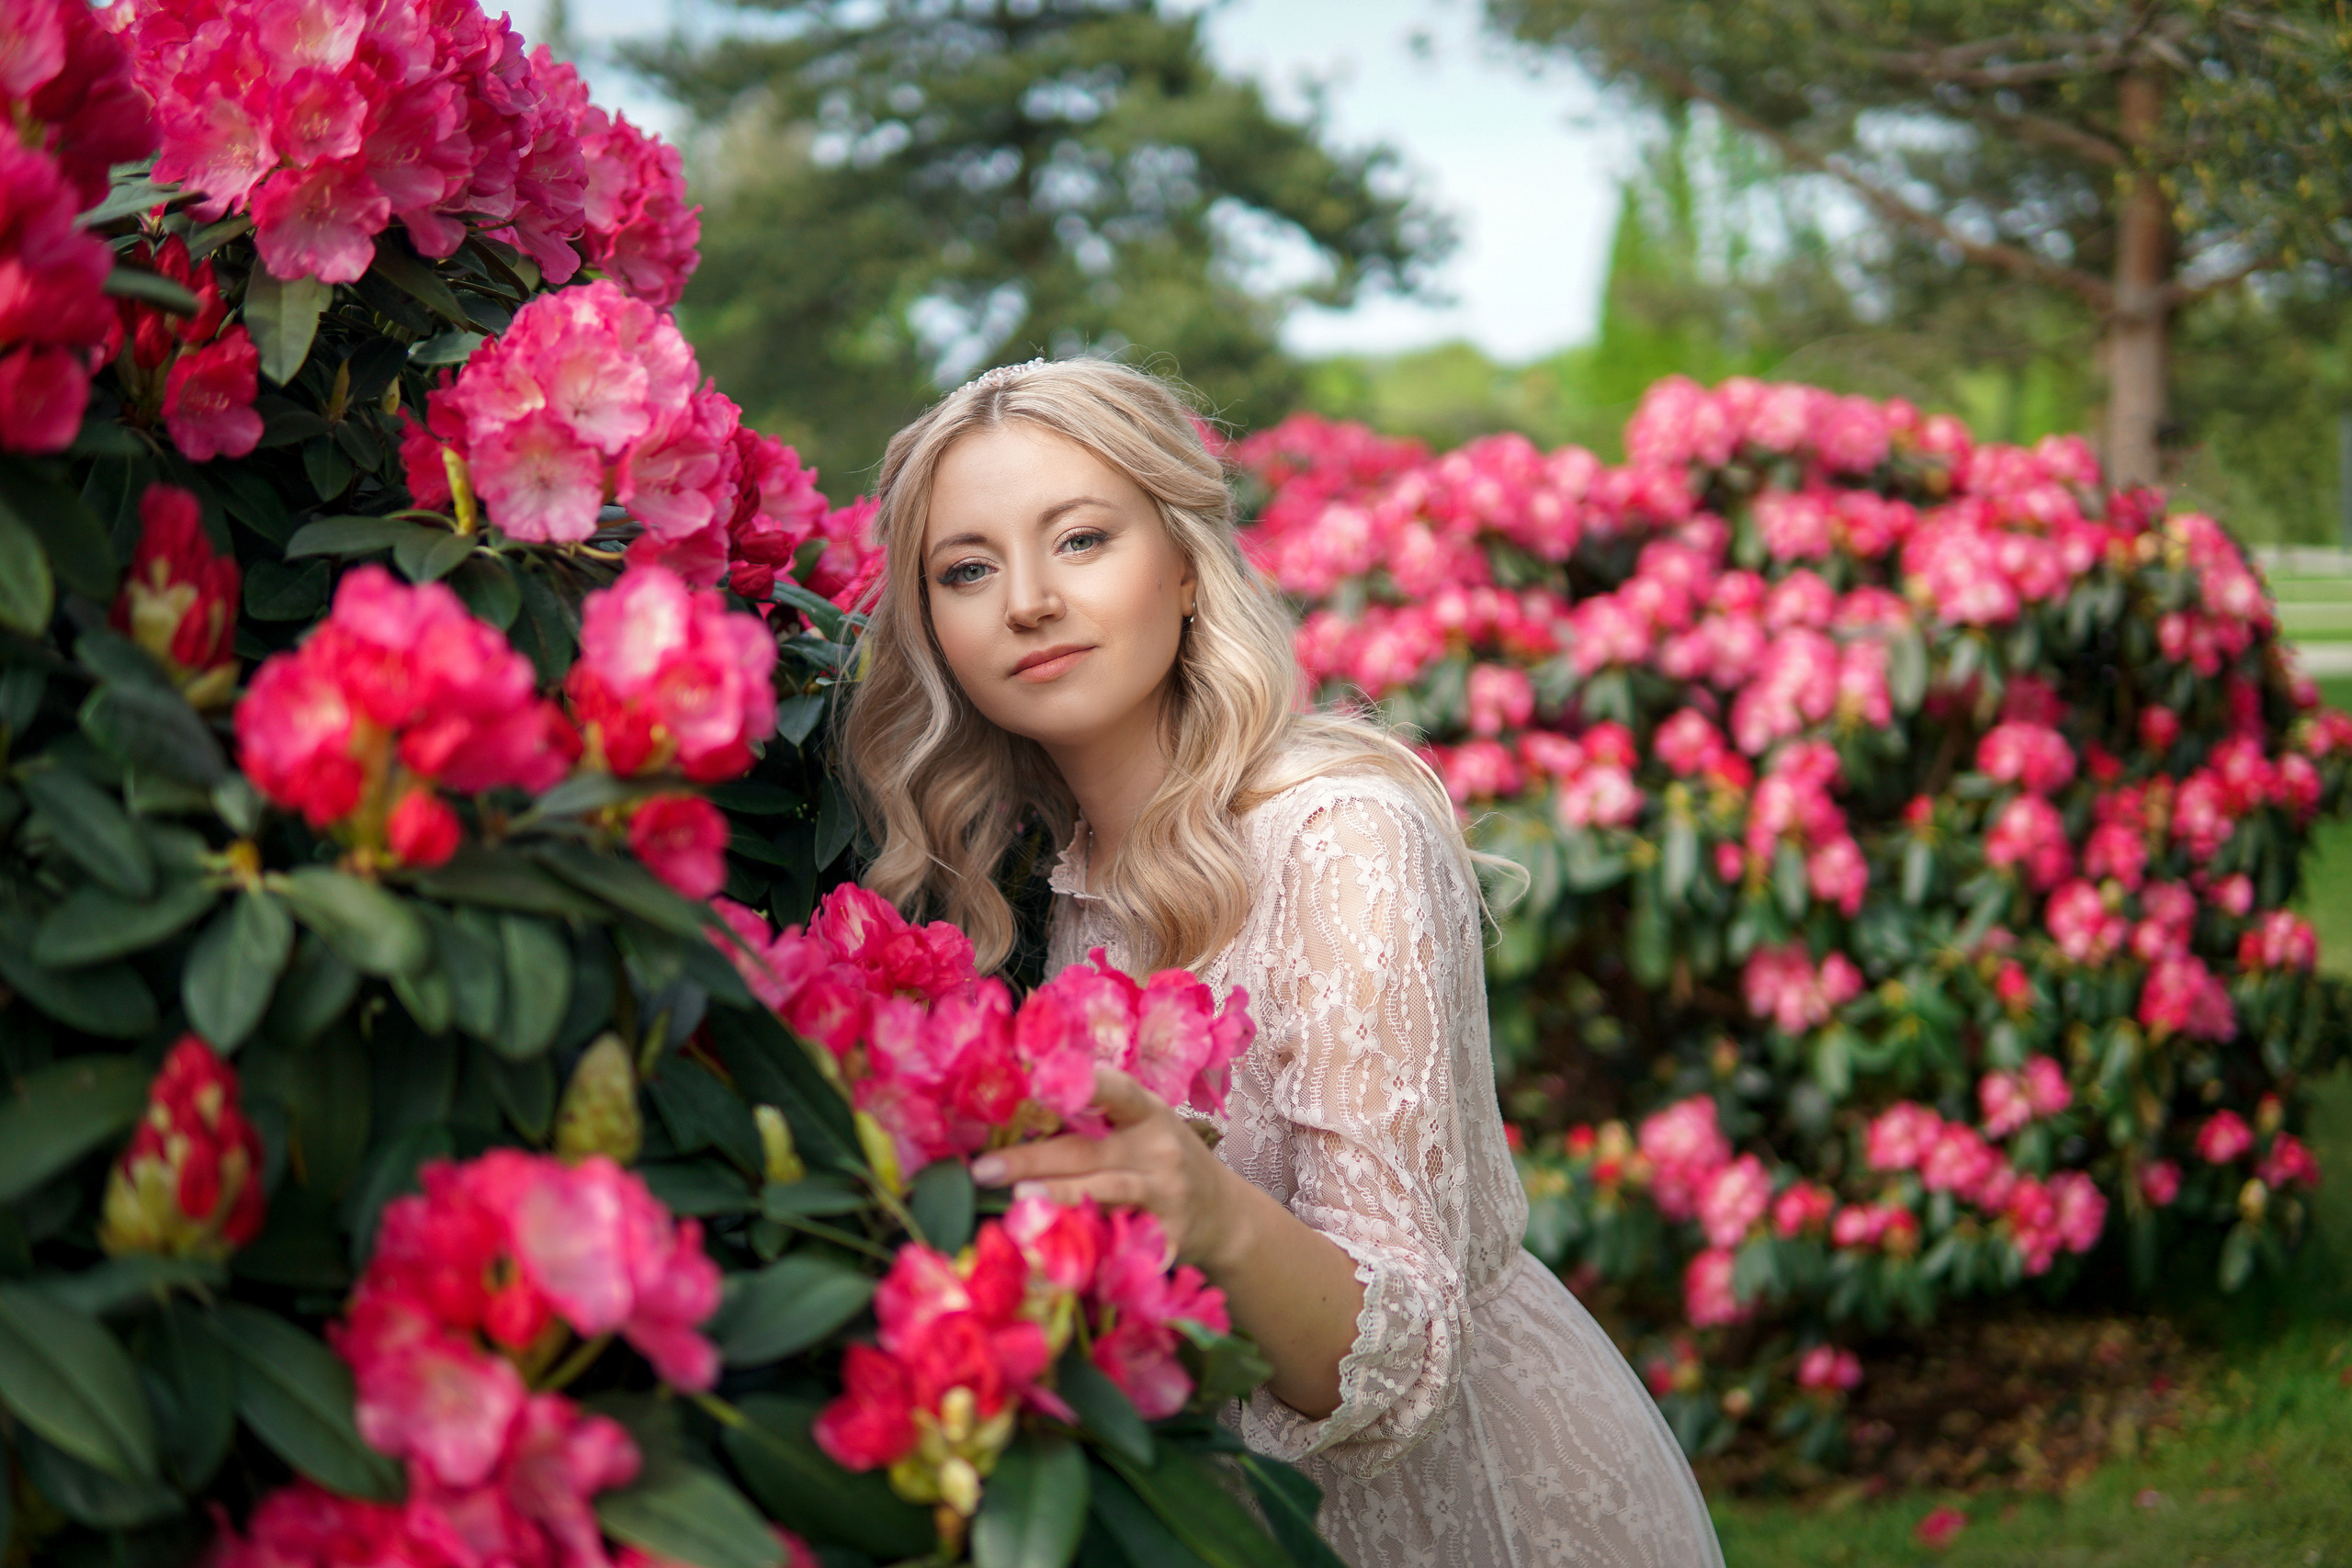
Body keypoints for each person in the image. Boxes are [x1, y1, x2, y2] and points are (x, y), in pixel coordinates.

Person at [839, 357, 1724, 1568]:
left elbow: (1402, 1351)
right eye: (968, 569)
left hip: (1460, 1501)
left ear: (1189, 567)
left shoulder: (1340, 832)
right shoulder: (1011, 877)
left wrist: (1202, 1207)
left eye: (1082, 539)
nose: (1028, 601)